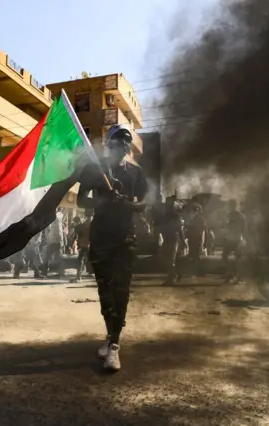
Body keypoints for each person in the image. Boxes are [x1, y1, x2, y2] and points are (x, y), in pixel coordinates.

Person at [77, 124, 147, 372]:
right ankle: (110, 335)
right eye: (119, 141)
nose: (124, 146)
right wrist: (104, 199)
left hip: (125, 238)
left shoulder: (136, 173)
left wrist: (126, 203)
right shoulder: (94, 170)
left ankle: (114, 346)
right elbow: (80, 200)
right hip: (101, 238)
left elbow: (144, 203)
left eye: (127, 142)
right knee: (105, 292)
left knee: (121, 291)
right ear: (109, 144)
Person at [160, 195, 187, 285]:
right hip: (168, 238)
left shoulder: (175, 215)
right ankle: (176, 274)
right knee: (167, 259)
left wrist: (183, 240)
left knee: (171, 260)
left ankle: (172, 278)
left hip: (174, 239)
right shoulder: (167, 214)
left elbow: (179, 228)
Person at [222, 199, 247, 284]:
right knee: (225, 257)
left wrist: (243, 239)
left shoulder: (240, 216)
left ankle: (239, 278)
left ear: (234, 206)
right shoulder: (228, 215)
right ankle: (231, 274)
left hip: (237, 240)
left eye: (230, 205)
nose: (228, 207)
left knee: (238, 260)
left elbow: (244, 229)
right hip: (230, 240)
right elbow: (225, 226)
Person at [41, 211, 65, 278]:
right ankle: (60, 272)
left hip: (55, 241)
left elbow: (57, 229)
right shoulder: (54, 217)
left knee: (48, 257)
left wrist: (60, 241)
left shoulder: (56, 217)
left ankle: (45, 272)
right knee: (57, 257)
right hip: (54, 241)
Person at [70, 213, 92, 283]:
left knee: (80, 260)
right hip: (89, 245)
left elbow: (75, 236)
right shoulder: (93, 224)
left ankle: (78, 277)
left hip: (84, 245)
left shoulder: (81, 226)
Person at [186, 204, 207, 277]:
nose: (191, 212)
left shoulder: (200, 220)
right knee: (193, 256)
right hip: (191, 239)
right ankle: (199, 272)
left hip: (197, 240)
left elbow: (202, 232)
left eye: (193, 211)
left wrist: (202, 242)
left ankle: (197, 272)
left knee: (195, 256)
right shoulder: (191, 219)